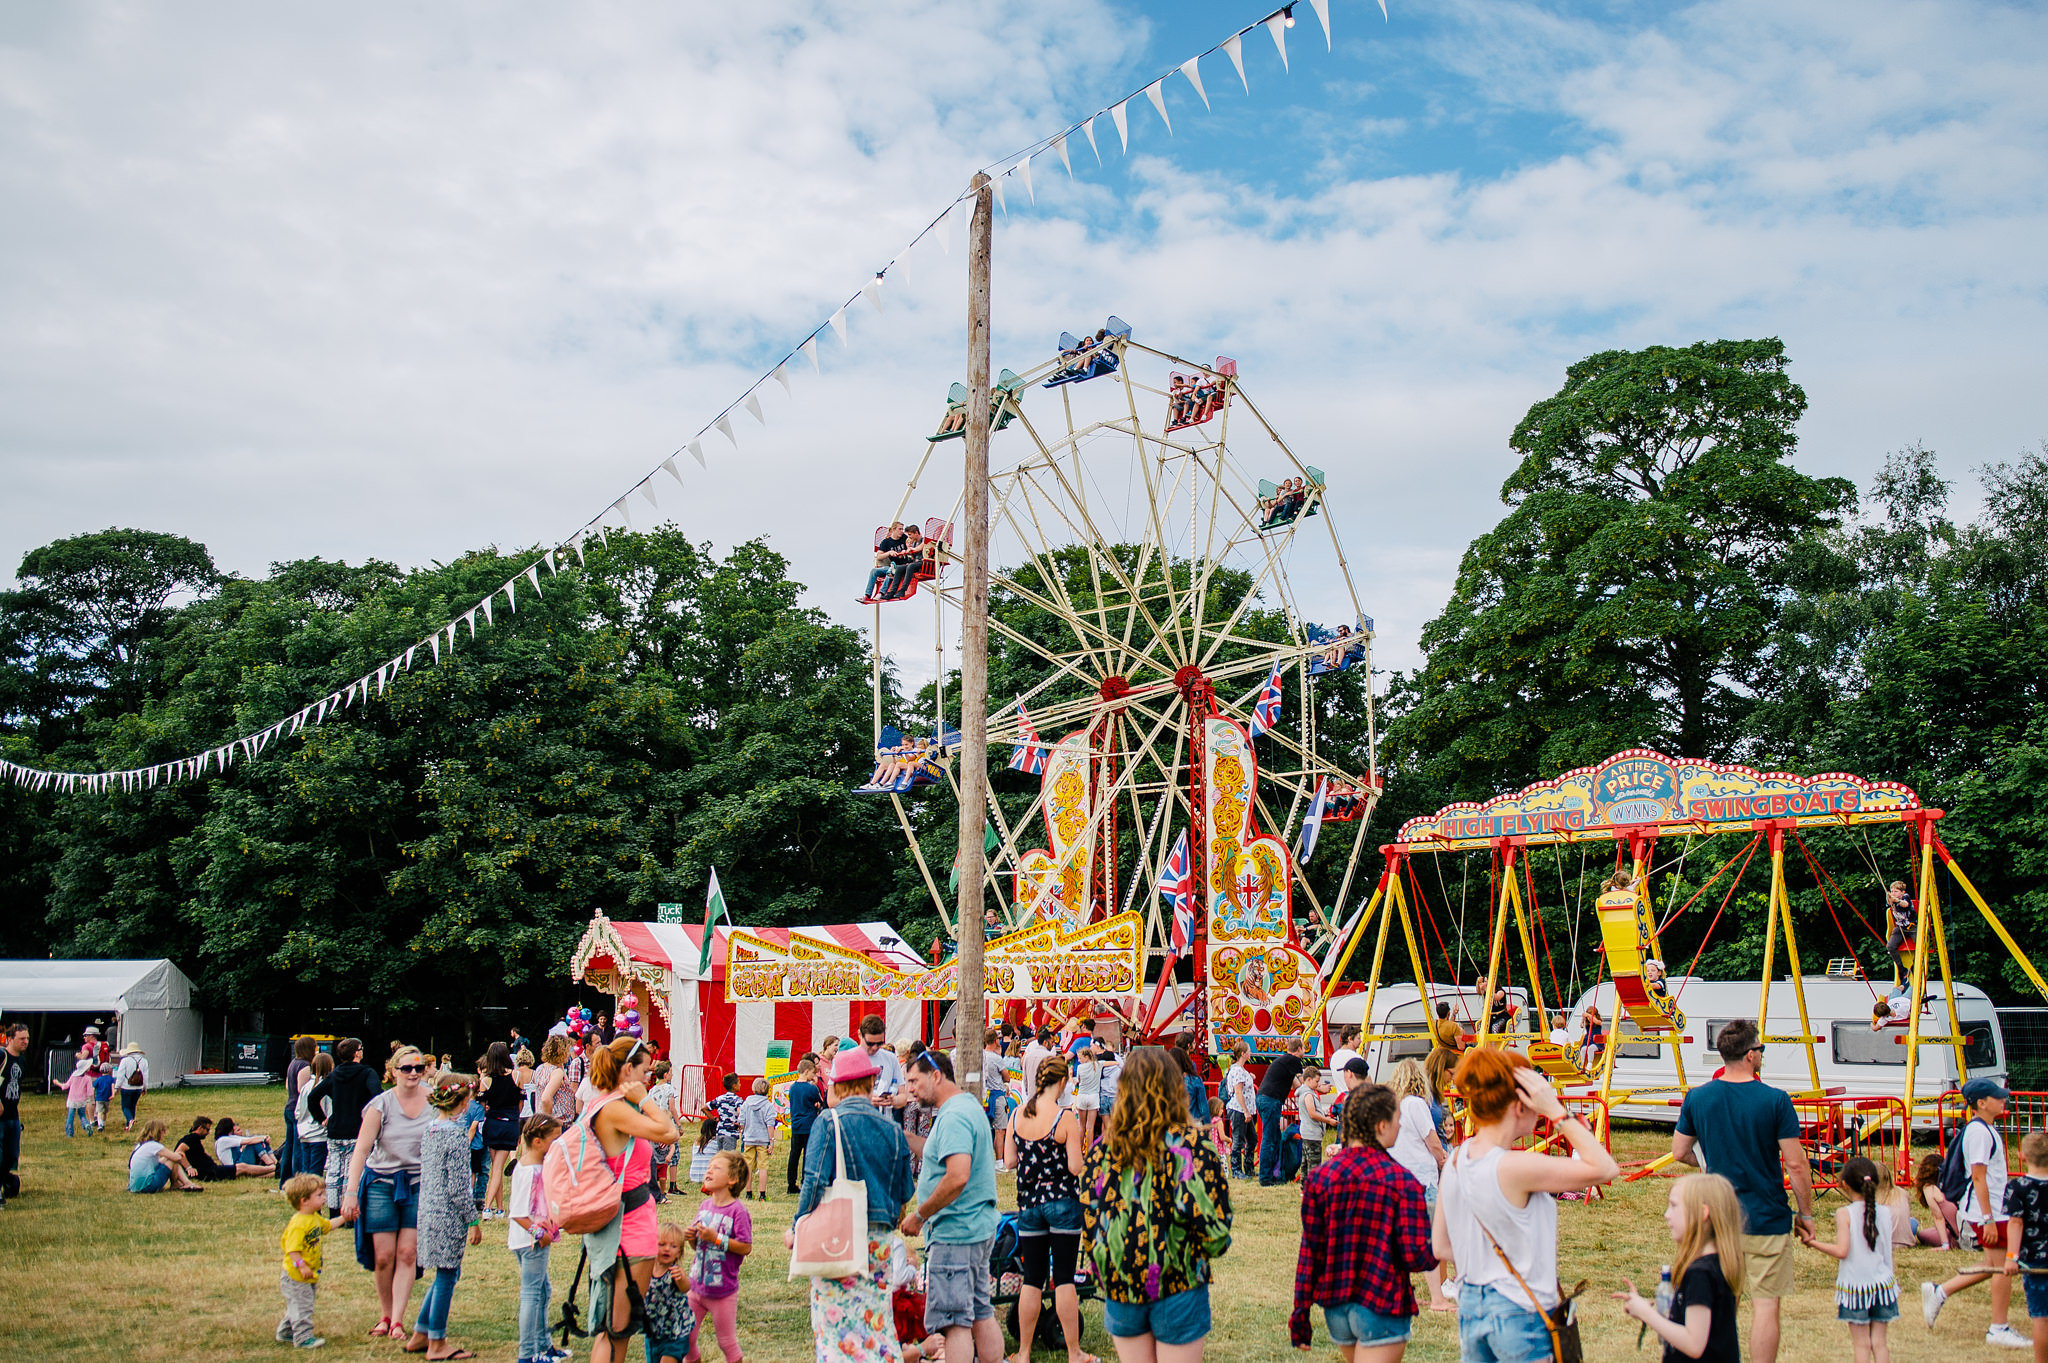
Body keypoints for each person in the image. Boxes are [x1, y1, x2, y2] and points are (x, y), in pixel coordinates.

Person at [1437, 1048, 1619, 1362]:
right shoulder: (1515, 1166)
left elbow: (1440, 1246)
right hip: (1519, 1308)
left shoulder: (1456, 1159)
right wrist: (1557, 1112)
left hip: (1472, 1306)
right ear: (1521, 1106)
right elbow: (1605, 1169)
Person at [1671, 1018, 1816, 1363]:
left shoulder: (1698, 1097)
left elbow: (1679, 1152)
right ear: (1751, 1055)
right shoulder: (1776, 1100)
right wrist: (1806, 1213)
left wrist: (1707, 1168)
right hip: (1767, 1215)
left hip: (1719, 1220)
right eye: (1760, 1049)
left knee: (1722, 1305)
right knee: (1766, 1306)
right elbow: (1796, 1165)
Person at [1082, 1046, 1232, 1360]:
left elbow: (1090, 1220)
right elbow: (1215, 1230)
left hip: (1121, 1282)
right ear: (1175, 1089)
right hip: (1178, 1281)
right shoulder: (1191, 1147)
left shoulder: (1100, 1152)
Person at [789, 1043, 917, 1363]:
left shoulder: (829, 1122)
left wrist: (798, 1226)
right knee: (876, 1326)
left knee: (836, 1330)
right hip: (880, 1242)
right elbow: (905, 1189)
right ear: (870, 1083)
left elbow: (814, 1182)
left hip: (838, 1236)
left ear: (838, 1084)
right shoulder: (892, 1128)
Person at [1290, 1084, 1436, 1362]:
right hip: (1382, 1300)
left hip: (1336, 1304)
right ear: (1381, 1125)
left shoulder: (1321, 1179)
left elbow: (1310, 1251)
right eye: (1397, 1119)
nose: (1401, 1125)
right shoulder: (1401, 1182)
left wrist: (1301, 1312)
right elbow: (1417, 1257)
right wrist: (1437, 1242)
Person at [898, 1049, 1000, 1363]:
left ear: (937, 1075)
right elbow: (935, 1151)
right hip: (975, 1227)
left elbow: (957, 1176)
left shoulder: (954, 1116)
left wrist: (919, 1215)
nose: (910, 1089)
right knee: (981, 1311)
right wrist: (901, 1136)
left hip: (956, 1232)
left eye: (915, 1080)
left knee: (955, 1323)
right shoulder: (963, 1107)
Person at [584, 1036, 682, 1363]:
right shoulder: (614, 1108)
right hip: (628, 1228)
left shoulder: (606, 1105)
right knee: (617, 1330)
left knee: (614, 1327)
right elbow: (669, 1133)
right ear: (628, 1069)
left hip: (623, 1223)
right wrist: (645, 1100)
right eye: (644, 1072)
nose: (647, 1079)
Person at [342, 1043, 434, 1339]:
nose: (413, 1073)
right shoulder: (380, 1105)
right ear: (393, 1071)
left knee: (407, 1253)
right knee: (384, 1256)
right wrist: (350, 1191)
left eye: (418, 1068)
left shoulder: (434, 1099)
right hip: (382, 1183)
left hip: (419, 1184)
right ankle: (384, 1314)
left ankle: (397, 1321)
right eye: (406, 1068)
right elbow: (361, 1150)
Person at [1924, 1077, 2026, 1346]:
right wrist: (1989, 1219)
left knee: (1993, 1266)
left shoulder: (1983, 1129)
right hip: (1989, 1212)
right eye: (1997, 1096)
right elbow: (1978, 1177)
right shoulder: (1979, 1132)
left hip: (1991, 1210)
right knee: (2003, 1268)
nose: (2003, 1100)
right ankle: (1998, 1328)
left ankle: (1940, 1291)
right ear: (1981, 1103)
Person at [1009, 1052, 1089, 1363]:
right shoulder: (1064, 1117)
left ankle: (1024, 1352)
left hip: (1029, 1204)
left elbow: (1011, 1160)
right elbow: (1075, 1166)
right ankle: (1074, 1352)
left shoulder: (1017, 1114)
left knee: (1032, 1279)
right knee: (1064, 1279)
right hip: (1062, 1203)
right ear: (1061, 1081)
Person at [1614, 1173, 1744, 1363]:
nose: (1666, 1214)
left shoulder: (1700, 1274)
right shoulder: (1719, 1263)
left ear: (1702, 1213)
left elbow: (1694, 1344)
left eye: (1674, 1206)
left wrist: (1647, 1314)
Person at [1790, 1154, 1896, 1363]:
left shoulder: (1844, 1214)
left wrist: (1812, 1243)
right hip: (1884, 1286)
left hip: (1856, 1288)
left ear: (1844, 1184)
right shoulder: (1885, 1212)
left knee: (1861, 1345)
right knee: (1880, 1344)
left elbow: (1842, 1251)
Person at [408, 1071, 483, 1360]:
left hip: (427, 1210)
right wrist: (473, 1220)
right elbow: (458, 1187)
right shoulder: (456, 1136)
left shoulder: (430, 1129)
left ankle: (420, 1332)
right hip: (448, 1215)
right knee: (447, 1274)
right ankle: (437, 1342)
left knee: (445, 1273)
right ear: (463, 1102)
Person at [1384, 1059, 1452, 1312]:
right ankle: (1438, 1297)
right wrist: (1443, 1160)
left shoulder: (1392, 1105)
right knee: (1432, 1239)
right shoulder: (1416, 1104)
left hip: (1399, 1178)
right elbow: (1431, 1139)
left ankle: (1401, 1292)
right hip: (1422, 1178)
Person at [683, 1150, 753, 1363]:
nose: (709, 1170)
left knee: (726, 1343)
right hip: (696, 1287)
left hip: (722, 1291)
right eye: (709, 1167)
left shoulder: (737, 1211)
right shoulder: (705, 1206)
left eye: (717, 1168)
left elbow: (745, 1246)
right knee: (685, 1338)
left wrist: (717, 1238)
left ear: (732, 1180)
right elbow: (698, 1246)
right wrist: (692, 1238)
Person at [508, 1114, 567, 1363]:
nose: (559, 1144)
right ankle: (528, 1353)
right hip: (530, 1242)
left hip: (535, 1239)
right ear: (538, 1141)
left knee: (543, 1290)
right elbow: (519, 1214)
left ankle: (544, 1344)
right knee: (532, 1294)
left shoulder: (535, 1167)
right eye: (555, 1139)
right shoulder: (529, 1171)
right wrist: (539, 1234)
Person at [305, 1037, 381, 1216]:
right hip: (358, 1129)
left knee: (334, 1172)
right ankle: (352, 1210)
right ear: (356, 1053)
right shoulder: (366, 1073)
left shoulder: (335, 1074)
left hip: (336, 1130)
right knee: (353, 1171)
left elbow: (313, 1097)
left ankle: (334, 1210)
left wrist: (322, 1119)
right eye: (360, 1048)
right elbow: (377, 1096)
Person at [278, 1171, 349, 1349]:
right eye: (319, 1195)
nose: (324, 1198)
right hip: (295, 1276)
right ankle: (302, 1338)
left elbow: (327, 1226)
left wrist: (345, 1218)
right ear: (304, 1201)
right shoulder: (298, 1223)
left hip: (308, 1274)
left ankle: (286, 1332)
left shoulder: (313, 1218)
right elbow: (292, 1250)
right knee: (303, 1306)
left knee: (300, 1304)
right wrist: (301, 1266)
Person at [2002, 1130, 2048, 1361]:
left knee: (2041, 1318)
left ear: (2021, 1156)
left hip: (2035, 1261)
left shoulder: (2017, 1187)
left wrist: (2011, 1256)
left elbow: (2016, 1223)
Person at [478, 1040, 524, 1216]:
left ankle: (488, 1207)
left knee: (495, 1167)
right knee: (497, 1168)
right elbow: (520, 1104)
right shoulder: (517, 1076)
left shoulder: (486, 1081)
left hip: (492, 1124)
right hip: (509, 1123)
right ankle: (499, 1208)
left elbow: (482, 1108)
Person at [646, 1223, 699, 1363]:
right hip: (654, 1330)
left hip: (676, 1330)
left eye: (673, 1246)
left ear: (679, 1252)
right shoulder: (646, 1270)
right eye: (661, 1244)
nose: (667, 1249)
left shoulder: (675, 1271)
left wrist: (681, 1279)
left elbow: (685, 1288)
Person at [1259, 1036, 1307, 1186]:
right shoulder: (1293, 1061)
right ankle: (1265, 1177)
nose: (1304, 1051)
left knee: (1274, 1137)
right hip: (1271, 1100)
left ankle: (1276, 1173)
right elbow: (1304, 1083)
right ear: (1298, 1049)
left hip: (1264, 1098)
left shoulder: (1284, 1062)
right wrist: (1317, 1088)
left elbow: (1297, 1086)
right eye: (1304, 1048)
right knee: (1268, 1138)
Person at [128, 1117, 201, 1193]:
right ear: (158, 1132)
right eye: (163, 1131)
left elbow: (156, 1162)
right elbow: (175, 1157)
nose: (165, 1133)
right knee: (172, 1159)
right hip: (147, 1186)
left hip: (134, 1187)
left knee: (168, 1158)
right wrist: (180, 1154)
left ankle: (182, 1183)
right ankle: (184, 1183)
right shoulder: (154, 1146)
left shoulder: (140, 1145)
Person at [280, 1035, 317, 1186]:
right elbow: (302, 1090)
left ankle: (285, 1180)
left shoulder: (293, 1063)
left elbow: (288, 1086)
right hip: (297, 1110)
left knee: (288, 1146)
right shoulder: (304, 1066)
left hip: (289, 1107)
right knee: (298, 1147)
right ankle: (297, 1181)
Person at [296, 1052, 334, 1193]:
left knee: (306, 1169)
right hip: (319, 1134)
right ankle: (312, 1199)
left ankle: (304, 1195)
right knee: (316, 1172)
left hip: (304, 1133)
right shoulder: (325, 1087)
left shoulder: (306, 1087)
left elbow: (298, 1112)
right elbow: (330, 1112)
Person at [736, 1076, 778, 1201]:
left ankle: (749, 1193)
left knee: (748, 1166)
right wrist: (771, 1141)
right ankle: (762, 1194)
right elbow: (770, 1125)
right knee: (762, 1167)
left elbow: (741, 1122)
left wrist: (743, 1130)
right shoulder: (768, 1106)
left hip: (749, 1138)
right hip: (763, 1139)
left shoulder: (746, 1104)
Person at [787, 1055, 822, 1196]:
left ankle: (791, 1183)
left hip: (796, 1125)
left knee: (794, 1154)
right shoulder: (811, 1089)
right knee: (808, 1154)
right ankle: (805, 1181)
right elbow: (819, 1102)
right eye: (813, 1073)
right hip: (809, 1125)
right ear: (807, 1072)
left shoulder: (792, 1088)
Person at [646, 1060, 681, 1200]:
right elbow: (672, 1107)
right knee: (673, 1153)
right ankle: (672, 1184)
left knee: (655, 1153)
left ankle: (657, 1184)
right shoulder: (669, 1089)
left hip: (655, 1123)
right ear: (666, 1075)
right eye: (671, 1072)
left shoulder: (652, 1090)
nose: (672, 1075)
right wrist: (678, 1124)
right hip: (668, 1123)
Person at [1224, 1043, 1257, 1179]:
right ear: (1243, 1054)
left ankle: (1249, 1168)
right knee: (1238, 1140)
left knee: (1252, 1139)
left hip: (1244, 1110)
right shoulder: (1237, 1071)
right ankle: (1236, 1170)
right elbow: (1238, 1092)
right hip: (1239, 1110)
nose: (1250, 1053)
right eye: (1249, 1051)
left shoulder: (1240, 1070)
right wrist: (1245, 1111)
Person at [1913, 1152, 1960, 1249]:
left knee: (1922, 1234)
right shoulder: (1951, 1185)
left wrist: (1944, 1245)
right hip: (1966, 1229)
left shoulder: (1929, 1189)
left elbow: (1938, 1218)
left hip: (1956, 1235)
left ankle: (1949, 1243)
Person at [0, 1022, 23, 1206]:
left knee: (11, 1156)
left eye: (27, 1038)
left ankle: (5, 1183)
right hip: (0, 1115)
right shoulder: (2, 1056)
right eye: (21, 1038)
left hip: (13, 1115)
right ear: (9, 1039)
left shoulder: (20, 1060)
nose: (25, 1042)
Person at [1295, 1066, 1333, 1178]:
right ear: (1309, 1079)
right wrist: (1328, 1120)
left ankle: (1304, 1188)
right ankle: (1313, 1189)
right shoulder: (1308, 1095)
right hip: (1312, 1134)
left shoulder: (1304, 1092)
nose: (1317, 1084)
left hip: (1306, 1133)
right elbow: (1312, 1113)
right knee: (1314, 1165)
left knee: (1305, 1164)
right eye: (1316, 1081)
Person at [860, 1016, 903, 1112]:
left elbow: (903, 1096)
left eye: (879, 1043)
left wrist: (893, 1100)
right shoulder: (847, 1058)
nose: (875, 1047)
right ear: (860, 1035)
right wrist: (864, 1100)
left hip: (884, 1121)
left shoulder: (891, 1058)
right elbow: (832, 1100)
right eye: (870, 1043)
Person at [982, 1033, 1011, 1172]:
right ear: (995, 1040)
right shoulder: (996, 1058)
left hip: (984, 1095)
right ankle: (999, 1162)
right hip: (997, 1094)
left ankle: (985, 1161)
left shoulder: (980, 1055)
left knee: (984, 1129)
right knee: (1000, 1129)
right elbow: (1007, 1077)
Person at [1424, 1004, 1462, 1108]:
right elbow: (1461, 1046)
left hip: (1443, 1051)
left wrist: (1453, 1014)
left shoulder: (1434, 1024)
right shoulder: (1454, 1027)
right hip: (1456, 1055)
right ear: (1448, 1013)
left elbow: (1447, 1025)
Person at [213, 1116, 281, 1174]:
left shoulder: (228, 1138)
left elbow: (250, 1138)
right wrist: (263, 1138)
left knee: (257, 1140)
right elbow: (249, 1141)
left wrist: (265, 1137)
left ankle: (275, 1162)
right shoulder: (223, 1140)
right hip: (235, 1166)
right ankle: (270, 1163)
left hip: (238, 1162)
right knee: (254, 1142)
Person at [863, 523, 910, 601]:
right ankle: (867, 594)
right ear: (893, 530)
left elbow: (911, 546)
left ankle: (881, 593)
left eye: (902, 529)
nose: (902, 531)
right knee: (874, 571)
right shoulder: (886, 542)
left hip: (902, 566)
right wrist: (889, 553)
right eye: (900, 529)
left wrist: (904, 552)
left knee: (890, 570)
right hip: (892, 565)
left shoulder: (904, 538)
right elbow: (879, 556)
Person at [534, 1035, 573, 1125]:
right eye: (567, 1051)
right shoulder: (557, 1072)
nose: (569, 1054)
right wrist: (548, 1124)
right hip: (557, 1123)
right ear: (560, 1051)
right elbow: (545, 1098)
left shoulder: (540, 1068)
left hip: (541, 1118)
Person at [114, 1039, 149, 1132]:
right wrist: (145, 1087)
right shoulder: (144, 1061)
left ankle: (129, 1120)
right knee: (133, 1105)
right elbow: (145, 1076)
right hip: (138, 1087)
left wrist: (117, 1087)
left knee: (125, 1106)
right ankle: (128, 1125)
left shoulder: (125, 1061)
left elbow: (120, 1075)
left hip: (127, 1087)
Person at [1885, 880, 1915, 973]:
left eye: (1896, 891)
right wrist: (1888, 896)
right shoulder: (1893, 899)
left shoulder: (1905, 897)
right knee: (1890, 946)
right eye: (1892, 891)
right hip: (1900, 927)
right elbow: (1889, 904)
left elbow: (1905, 904)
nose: (1894, 893)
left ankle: (1914, 966)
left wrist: (1896, 900)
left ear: (1902, 892)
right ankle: (1902, 969)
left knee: (1920, 944)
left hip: (1912, 926)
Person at [709, 1073, 744, 1153]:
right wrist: (739, 1122)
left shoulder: (719, 1099)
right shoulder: (737, 1100)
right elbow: (739, 1112)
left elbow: (704, 1108)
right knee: (728, 1158)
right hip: (730, 1133)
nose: (740, 1084)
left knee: (721, 1157)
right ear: (734, 1086)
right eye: (739, 1082)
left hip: (719, 1131)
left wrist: (714, 1119)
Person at [62, 1057, 94, 1138]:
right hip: (82, 1100)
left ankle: (69, 1133)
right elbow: (90, 1092)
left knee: (70, 1117)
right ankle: (86, 1125)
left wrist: (58, 1083)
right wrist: (92, 1100)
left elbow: (66, 1086)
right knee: (82, 1115)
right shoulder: (88, 1078)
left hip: (72, 1100)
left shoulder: (73, 1076)